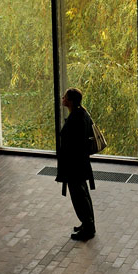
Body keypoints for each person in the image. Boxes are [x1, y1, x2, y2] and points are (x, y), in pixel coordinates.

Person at [56, 88, 96, 241]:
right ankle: (87, 223)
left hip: (74, 166)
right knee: (83, 195)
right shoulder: (82, 114)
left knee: (79, 197)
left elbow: (72, 144)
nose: (62, 98)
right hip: (80, 164)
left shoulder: (75, 119)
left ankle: (88, 227)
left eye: (64, 97)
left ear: (70, 101)